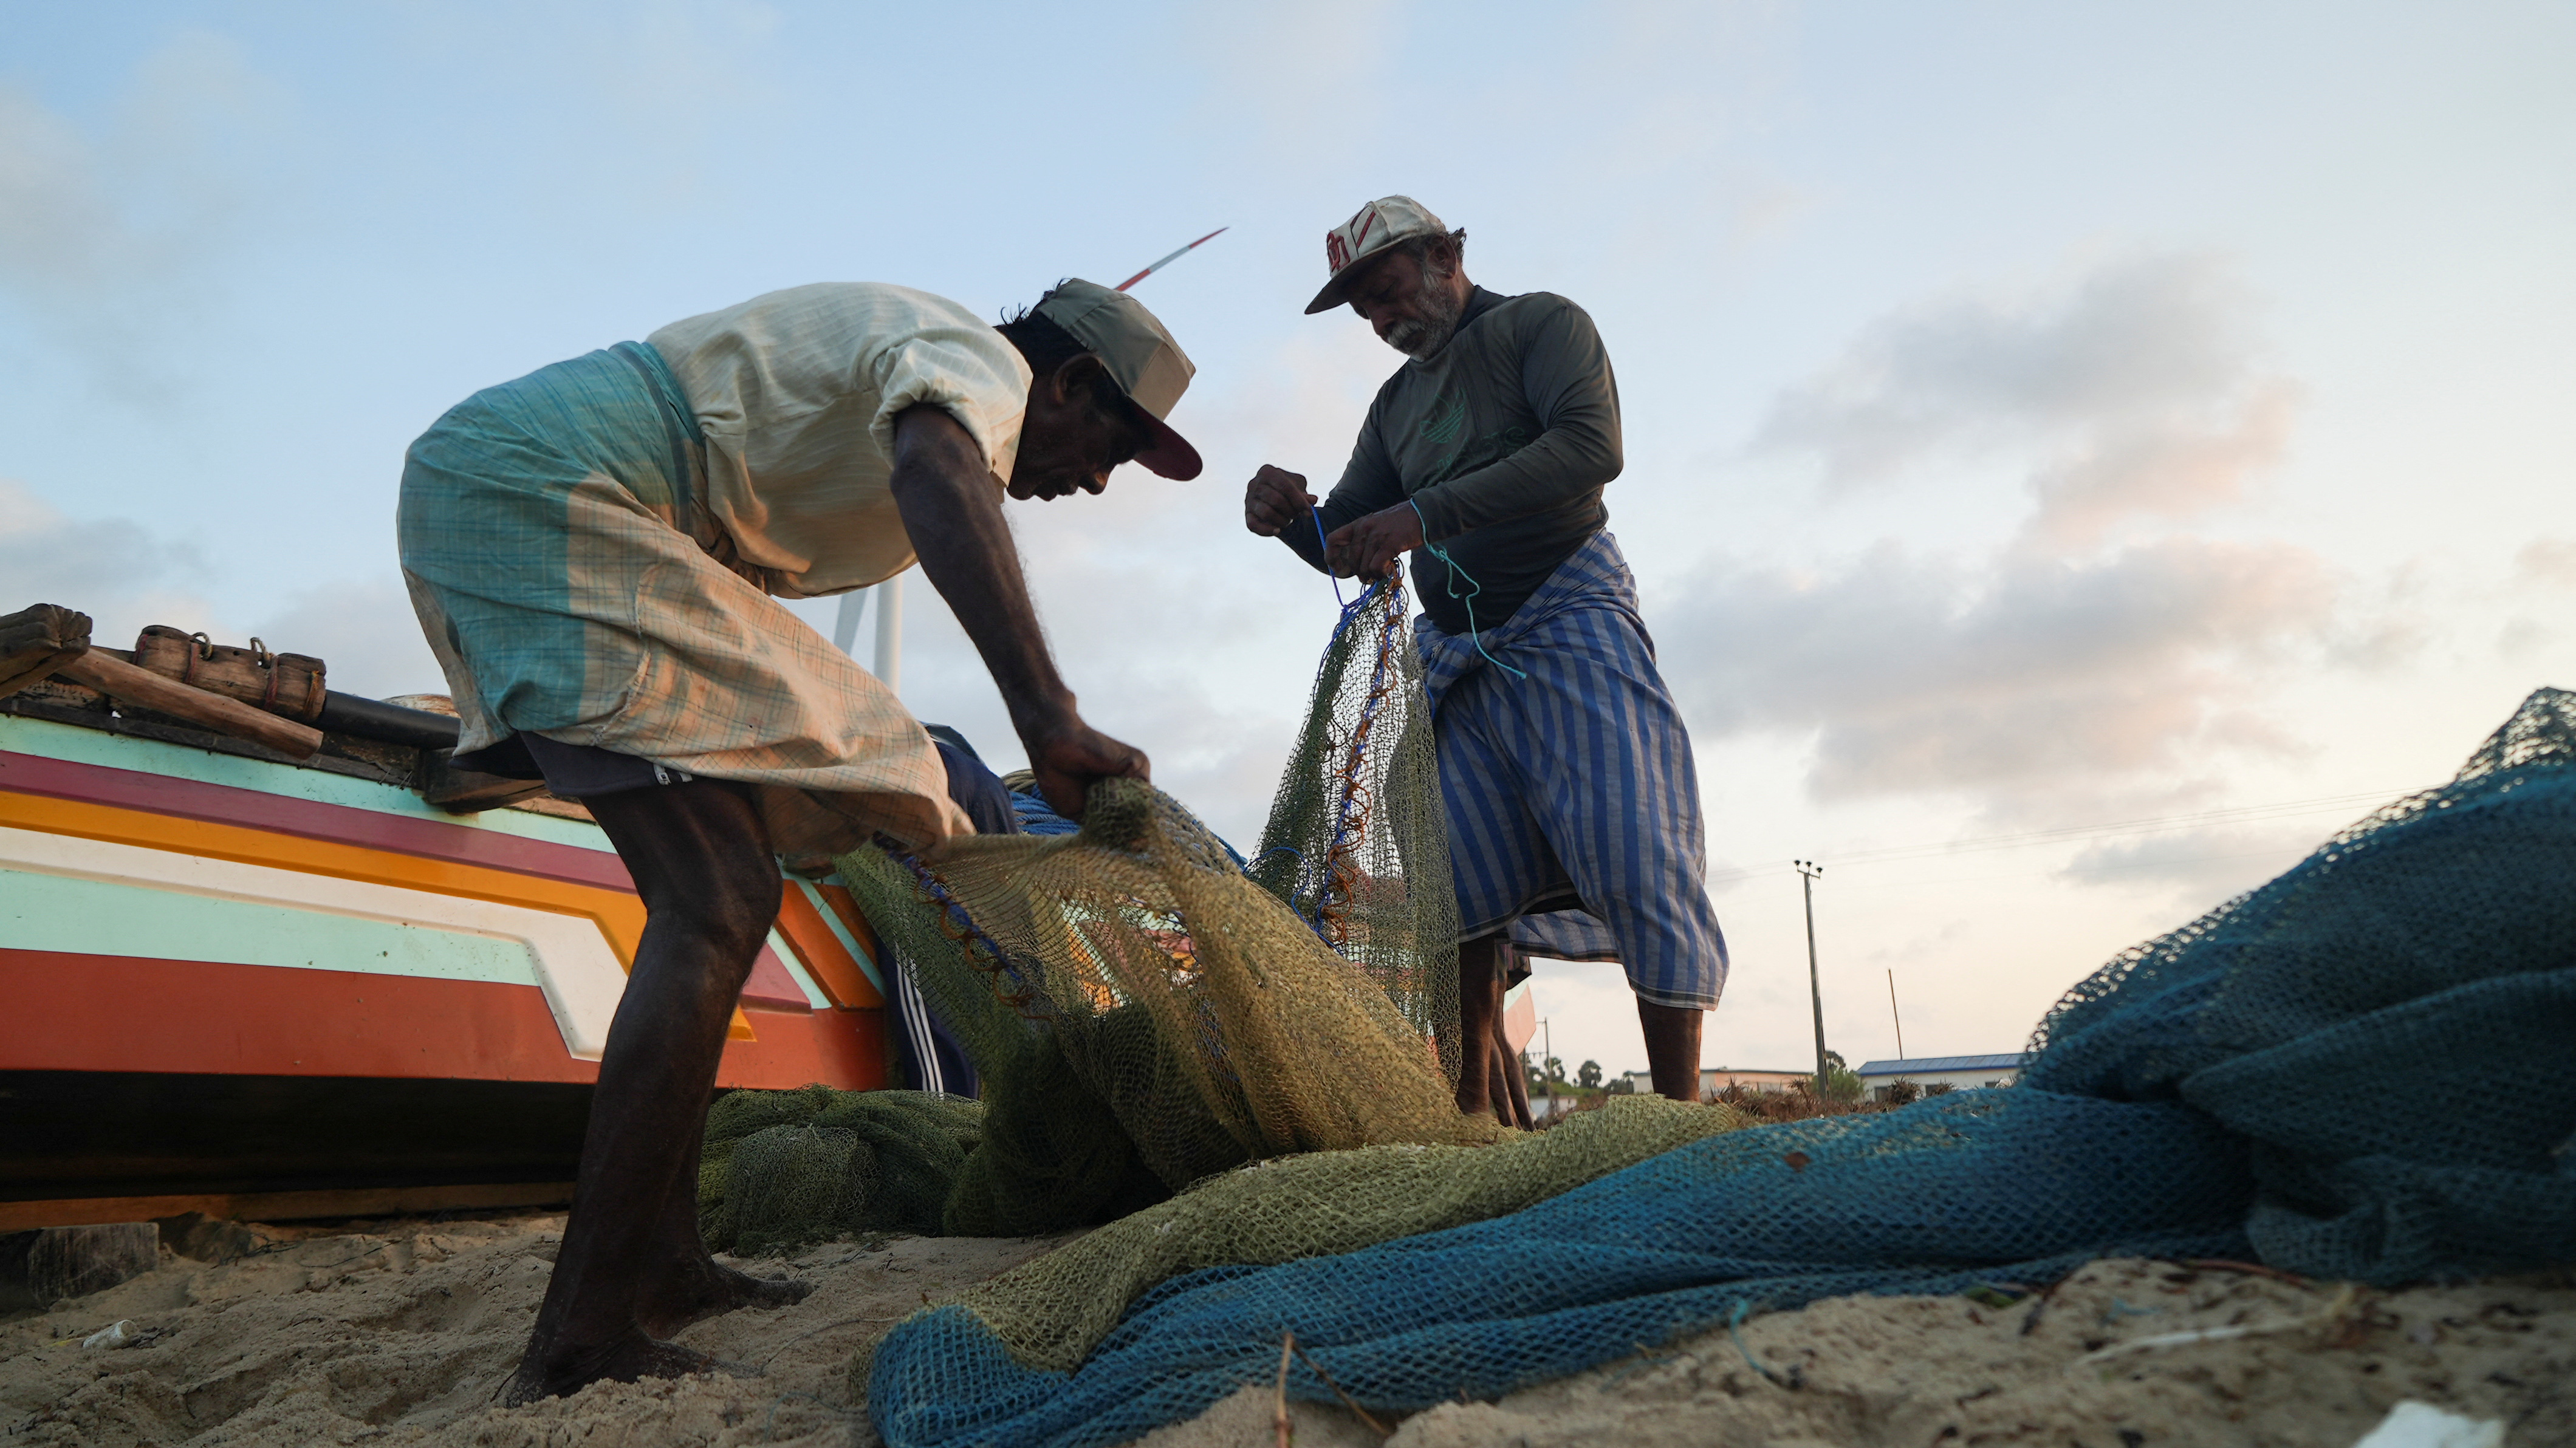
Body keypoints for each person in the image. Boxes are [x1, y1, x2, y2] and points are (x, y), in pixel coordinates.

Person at [398, 278, 1201, 1403]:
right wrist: (1046, 717)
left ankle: (669, 1268)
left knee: (726, 888)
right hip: (547, 495)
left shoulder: (927, 396)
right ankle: (580, 1340)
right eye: (1111, 442)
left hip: (539, 500)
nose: (1098, 479)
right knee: (717, 901)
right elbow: (936, 471)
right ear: (1066, 382)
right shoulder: (976, 366)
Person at [1242, 196, 1726, 1123]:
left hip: (1566, 609)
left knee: (1634, 848)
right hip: (1457, 652)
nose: (1383, 325)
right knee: (1453, 879)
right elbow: (1351, 540)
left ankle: (1681, 1116)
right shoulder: (1396, 408)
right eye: (1367, 315)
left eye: (1387, 294)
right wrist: (1290, 521)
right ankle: (1469, 1111)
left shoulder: (1542, 326)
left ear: (1446, 254)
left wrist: (1422, 516)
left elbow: (1591, 449)